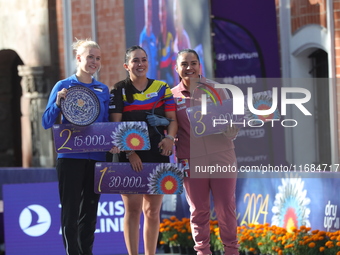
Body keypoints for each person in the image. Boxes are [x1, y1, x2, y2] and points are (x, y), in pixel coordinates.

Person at [42, 39, 110, 255]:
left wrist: (114, 142)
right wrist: (57, 104)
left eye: (97, 58)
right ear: (78, 58)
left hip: (97, 158)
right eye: (90, 56)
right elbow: (46, 121)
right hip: (70, 158)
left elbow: (107, 123)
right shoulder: (63, 86)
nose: (94, 62)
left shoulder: (103, 89)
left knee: (90, 214)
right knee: (70, 214)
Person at [109, 45, 177, 255]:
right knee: (133, 210)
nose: (140, 64)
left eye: (144, 60)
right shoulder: (119, 89)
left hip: (158, 153)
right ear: (126, 65)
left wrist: (169, 138)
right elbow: (116, 127)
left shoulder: (162, 87)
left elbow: (172, 120)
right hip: (129, 156)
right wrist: (130, 153)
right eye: (135, 60)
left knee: (153, 211)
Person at [171, 49, 239, 255]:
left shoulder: (218, 90)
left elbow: (233, 125)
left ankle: (231, 251)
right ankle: (202, 252)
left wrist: (232, 129)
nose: (189, 68)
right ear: (176, 68)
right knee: (198, 211)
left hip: (221, 157)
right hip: (190, 160)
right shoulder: (171, 96)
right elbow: (170, 127)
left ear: (200, 66)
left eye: (193, 63)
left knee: (225, 209)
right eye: (184, 64)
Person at [157, 0, 176, 87]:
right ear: (159, 14)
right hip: (161, 84)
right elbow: (157, 65)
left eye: (164, 9)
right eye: (161, 10)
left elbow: (173, 61)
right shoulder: (157, 39)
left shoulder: (170, 36)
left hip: (172, 82)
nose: (163, 13)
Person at [139, 0, 157, 79]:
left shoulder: (153, 36)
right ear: (145, 9)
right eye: (148, 8)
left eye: (151, 9)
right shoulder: (143, 38)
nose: (149, 12)